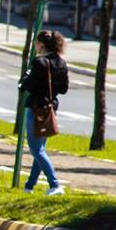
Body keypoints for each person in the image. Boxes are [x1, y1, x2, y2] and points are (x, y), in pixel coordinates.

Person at [19, 30, 69, 195]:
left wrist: (26, 80)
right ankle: (29, 186)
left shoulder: (39, 62)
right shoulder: (61, 63)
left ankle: (54, 184)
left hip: (36, 108)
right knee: (40, 149)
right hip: (51, 109)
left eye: (36, 43)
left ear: (41, 44)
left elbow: (28, 85)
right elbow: (64, 89)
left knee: (36, 150)